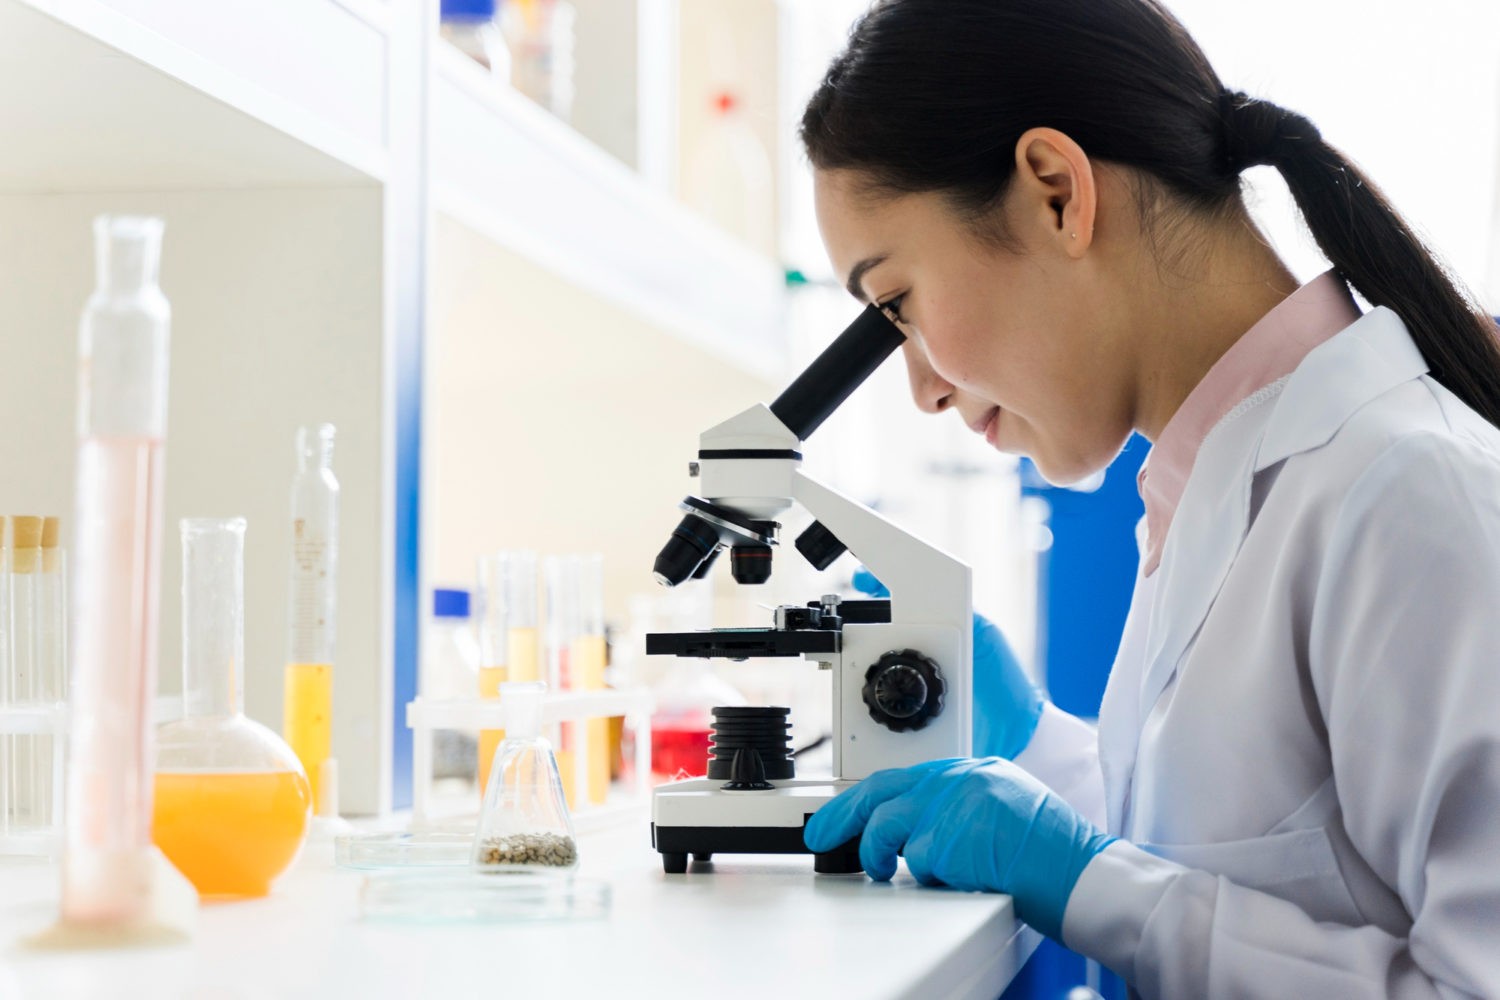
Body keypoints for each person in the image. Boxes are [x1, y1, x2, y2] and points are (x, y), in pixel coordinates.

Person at [796, 0, 1500, 995]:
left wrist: (1090, 885)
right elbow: (1245, 854)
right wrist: (1038, 743)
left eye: (897, 305)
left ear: (1054, 192)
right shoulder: (1212, 490)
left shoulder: (1408, 494)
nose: (923, 387)